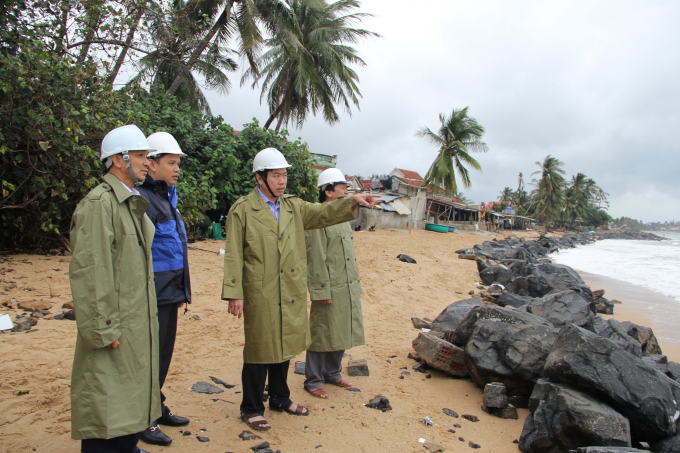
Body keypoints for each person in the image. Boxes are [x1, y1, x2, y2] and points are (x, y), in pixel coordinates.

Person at [221, 148, 376, 431]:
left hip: (289, 289)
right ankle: (252, 407)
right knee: (258, 349)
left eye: (284, 175)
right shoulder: (242, 209)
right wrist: (235, 293)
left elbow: (322, 212)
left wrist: (352, 201)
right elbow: (233, 254)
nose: (282, 181)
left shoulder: (293, 207)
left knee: (285, 345)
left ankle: (280, 398)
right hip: (260, 290)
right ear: (260, 178)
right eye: (276, 175)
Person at [69, 124, 160, 453]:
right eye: (140, 156)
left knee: (127, 407)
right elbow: (90, 273)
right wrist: (103, 328)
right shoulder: (99, 204)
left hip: (132, 324)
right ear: (119, 161)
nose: (147, 163)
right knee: (106, 410)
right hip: (114, 329)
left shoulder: (128, 202)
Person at [136, 132, 191, 446]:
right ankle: (144, 419)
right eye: (170, 162)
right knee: (150, 358)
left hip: (170, 291)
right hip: (154, 293)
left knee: (163, 355)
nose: (176, 168)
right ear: (151, 163)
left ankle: (156, 406)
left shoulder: (167, 197)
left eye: (178, 163)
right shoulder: (143, 199)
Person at [303, 168, 365, 399]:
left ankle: (333, 373)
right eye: (342, 188)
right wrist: (320, 289)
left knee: (342, 328)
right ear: (328, 192)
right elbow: (316, 256)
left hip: (346, 283)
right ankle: (313, 380)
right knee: (321, 332)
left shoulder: (343, 217)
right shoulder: (318, 218)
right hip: (328, 285)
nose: (346, 191)